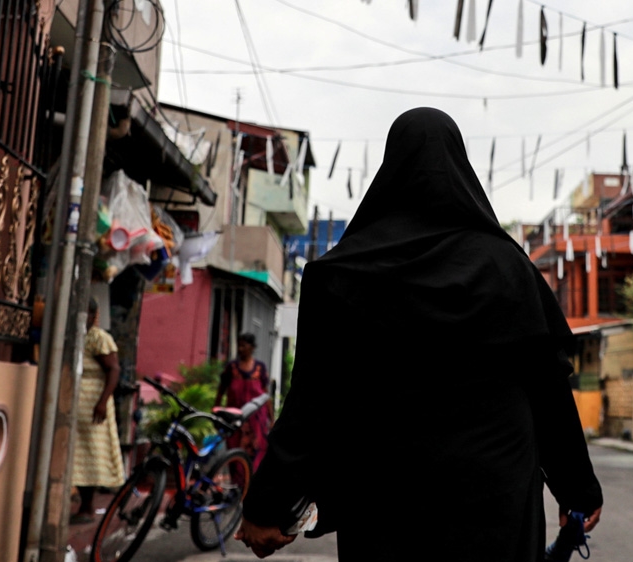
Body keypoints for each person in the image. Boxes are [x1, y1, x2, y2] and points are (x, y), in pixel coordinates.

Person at [235, 107, 603, 561]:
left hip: (387, 501)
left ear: (392, 167)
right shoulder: (509, 269)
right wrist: (577, 489)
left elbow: (314, 401)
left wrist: (267, 505)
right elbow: (547, 390)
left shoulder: (344, 273)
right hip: (497, 497)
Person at [71, 298, 125, 524]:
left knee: (90, 453)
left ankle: (87, 506)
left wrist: (102, 402)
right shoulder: (73, 335)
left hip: (93, 403)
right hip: (74, 402)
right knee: (75, 453)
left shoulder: (99, 338)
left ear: (93, 315)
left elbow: (113, 370)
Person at [215, 333, 271, 471]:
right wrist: (216, 410)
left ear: (252, 347)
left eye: (243, 346)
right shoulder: (231, 367)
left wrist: (271, 418)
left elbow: (266, 394)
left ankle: (253, 480)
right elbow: (221, 390)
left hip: (256, 419)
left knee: (257, 450)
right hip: (235, 417)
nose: (240, 349)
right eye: (239, 345)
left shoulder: (260, 368)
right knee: (234, 450)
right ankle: (238, 482)